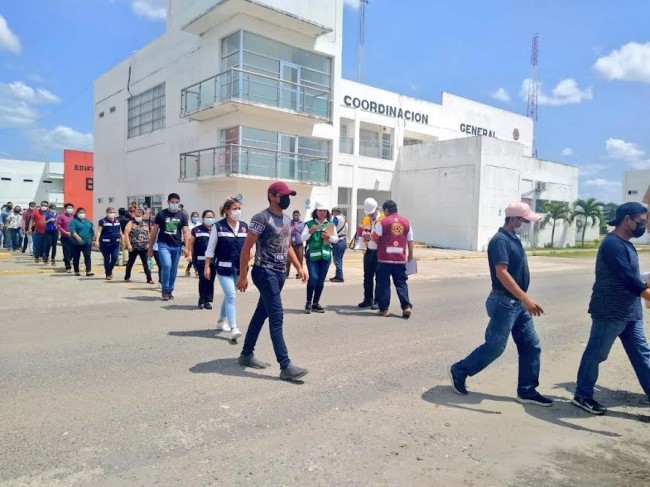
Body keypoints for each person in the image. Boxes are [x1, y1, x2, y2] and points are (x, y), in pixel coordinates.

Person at [449, 202, 553, 407]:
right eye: (525, 221)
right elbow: (502, 273)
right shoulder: (500, 241)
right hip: (505, 302)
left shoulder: (513, 239)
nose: (527, 225)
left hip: (517, 303)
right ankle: (460, 370)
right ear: (513, 219)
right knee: (495, 347)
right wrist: (525, 298)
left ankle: (527, 390)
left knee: (531, 346)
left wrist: (523, 299)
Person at [572, 202, 650, 415]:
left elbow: (632, 275)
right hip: (610, 311)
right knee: (597, 353)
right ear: (627, 219)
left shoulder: (628, 245)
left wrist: (645, 279)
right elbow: (625, 278)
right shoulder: (612, 244)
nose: (644, 226)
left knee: (643, 354)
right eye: (641, 222)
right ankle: (582, 395)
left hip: (631, 311)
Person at [236, 181, 309, 380]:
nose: (287, 199)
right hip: (264, 271)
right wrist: (243, 275)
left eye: (288, 196)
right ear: (272, 196)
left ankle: (246, 354)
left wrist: (299, 267)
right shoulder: (261, 218)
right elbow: (246, 247)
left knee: (262, 314)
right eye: (283, 195)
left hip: (279, 273)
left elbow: (288, 247)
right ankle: (285, 365)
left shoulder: (286, 220)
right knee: (277, 315)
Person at [206, 198, 249, 340]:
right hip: (222, 268)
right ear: (226, 211)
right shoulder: (218, 227)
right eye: (234, 208)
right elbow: (210, 248)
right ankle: (234, 327)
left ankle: (220, 321)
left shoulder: (244, 226)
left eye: (239, 208)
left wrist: (249, 261)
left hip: (238, 268)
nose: (237, 211)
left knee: (229, 295)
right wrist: (207, 266)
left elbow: (249, 247)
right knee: (231, 295)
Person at [371, 200, 414, 318]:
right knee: (401, 283)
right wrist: (410, 255)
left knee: (383, 284)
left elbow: (375, 237)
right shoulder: (406, 222)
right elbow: (410, 240)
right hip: (400, 259)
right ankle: (406, 306)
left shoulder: (383, 222)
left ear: (386, 210)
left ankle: (384, 310)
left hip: (385, 259)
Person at [148, 193, 190, 301]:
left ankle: (170, 290)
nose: (174, 204)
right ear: (168, 202)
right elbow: (154, 232)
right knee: (166, 265)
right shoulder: (161, 214)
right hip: (163, 244)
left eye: (176, 202)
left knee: (173, 269)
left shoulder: (182, 215)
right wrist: (150, 248)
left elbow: (186, 232)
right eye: (172, 202)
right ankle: (165, 289)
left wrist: (187, 248)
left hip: (177, 246)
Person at [302, 202, 337, 314]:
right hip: (312, 255)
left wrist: (329, 237)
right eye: (320, 211)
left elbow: (336, 239)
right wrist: (309, 232)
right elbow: (301, 238)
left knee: (321, 281)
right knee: (313, 278)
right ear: (316, 212)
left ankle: (315, 303)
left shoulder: (330, 224)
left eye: (324, 211)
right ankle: (308, 302)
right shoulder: (309, 224)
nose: (322, 213)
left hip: (326, 255)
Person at [358, 198, 384, 310]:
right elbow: (363, 231)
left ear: (376, 209)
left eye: (372, 213)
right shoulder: (366, 219)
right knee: (367, 277)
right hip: (368, 251)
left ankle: (377, 301)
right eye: (368, 214)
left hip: (380, 252)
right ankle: (367, 300)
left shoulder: (384, 219)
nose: (370, 215)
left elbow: (385, 236)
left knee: (379, 277)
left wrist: (372, 236)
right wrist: (363, 235)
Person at [189, 210, 216, 309]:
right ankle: (201, 300)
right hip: (200, 260)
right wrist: (190, 254)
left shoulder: (216, 230)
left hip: (213, 260)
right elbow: (191, 243)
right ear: (203, 219)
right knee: (203, 279)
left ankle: (208, 300)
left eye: (211, 217)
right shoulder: (196, 230)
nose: (210, 219)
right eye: (207, 217)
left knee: (211, 280)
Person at [124, 208, 154, 284]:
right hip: (134, 246)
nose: (138, 216)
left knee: (147, 262)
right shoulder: (131, 223)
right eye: (137, 215)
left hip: (144, 247)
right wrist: (128, 245)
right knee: (130, 262)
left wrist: (149, 245)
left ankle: (149, 278)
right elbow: (126, 233)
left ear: (143, 215)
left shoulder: (146, 224)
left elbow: (149, 235)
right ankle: (127, 277)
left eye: (140, 215)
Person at [95, 207, 122, 280]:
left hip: (115, 243)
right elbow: (99, 231)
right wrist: (97, 241)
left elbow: (120, 231)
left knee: (115, 258)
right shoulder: (102, 221)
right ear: (107, 213)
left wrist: (123, 239)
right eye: (110, 212)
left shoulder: (118, 221)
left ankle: (109, 270)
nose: (112, 214)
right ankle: (108, 274)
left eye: (113, 212)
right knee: (107, 258)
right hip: (105, 244)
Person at [69, 208, 95, 277]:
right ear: (77, 213)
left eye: (83, 212)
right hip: (76, 243)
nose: (82, 214)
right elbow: (72, 231)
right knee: (76, 257)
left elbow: (91, 231)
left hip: (87, 242)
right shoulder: (74, 221)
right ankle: (76, 271)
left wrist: (93, 239)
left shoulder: (88, 222)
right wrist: (77, 237)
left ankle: (88, 271)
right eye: (80, 212)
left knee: (87, 256)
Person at [330, 207, 348, 283]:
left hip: (338, 240)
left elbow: (331, 227)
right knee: (339, 259)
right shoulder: (345, 219)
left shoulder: (336, 218)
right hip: (344, 240)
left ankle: (339, 277)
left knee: (337, 259)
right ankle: (338, 275)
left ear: (335, 212)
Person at [56, 203, 75, 273]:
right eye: (68, 208)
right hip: (65, 237)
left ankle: (67, 259)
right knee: (66, 251)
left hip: (74, 237)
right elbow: (58, 226)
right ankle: (68, 267)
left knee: (73, 252)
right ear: (65, 209)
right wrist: (65, 232)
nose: (70, 209)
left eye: (71, 208)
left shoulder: (75, 217)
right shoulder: (61, 217)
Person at [287, 210, 305, 279]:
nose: (296, 216)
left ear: (299, 215)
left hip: (299, 244)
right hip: (290, 244)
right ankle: (286, 274)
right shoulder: (289, 223)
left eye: (297, 215)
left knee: (300, 259)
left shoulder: (302, 223)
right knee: (288, 260)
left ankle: (299, 274)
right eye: (294, 215)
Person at [186, 211, 201, 277]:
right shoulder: (188, 225)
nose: (195, 218)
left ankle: (188, 269)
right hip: (190, 242)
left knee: (194, 257)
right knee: (192, 256)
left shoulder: (200, 225)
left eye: (196, 216)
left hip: (198, 243)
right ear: (191, 217)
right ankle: (196, 271)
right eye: (194, 216)